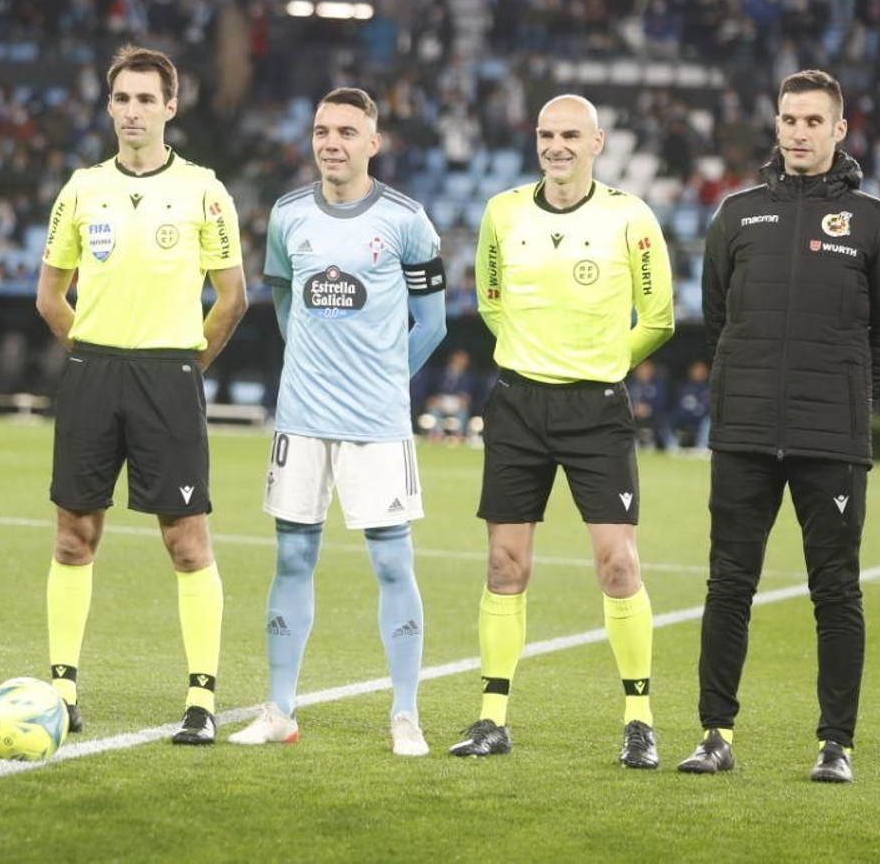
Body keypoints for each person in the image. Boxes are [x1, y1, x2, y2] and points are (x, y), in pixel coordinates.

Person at [677, 70, 880, 783]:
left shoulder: (876, 221)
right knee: (728, 584)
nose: (799, 132)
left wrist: (848, 394)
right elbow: (718, 318)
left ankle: (835, 744)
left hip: (832, 440)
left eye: (814, 121)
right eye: (789, 120)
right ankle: (715, 734)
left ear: (840, 129)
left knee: (836, 589)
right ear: (775, 126)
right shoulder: (737, 214)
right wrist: (739, 390)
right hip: (745, 434)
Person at [453, 95, 675, 768]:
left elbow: (658, 315)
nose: (556, 145)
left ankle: (639, 720)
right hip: (518, 406)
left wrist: (600, 364)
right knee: (504, 564)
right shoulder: (503, 212)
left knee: (618, 563)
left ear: (597, 142)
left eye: (570, 135)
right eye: (547, 134)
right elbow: (491, 302)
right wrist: (533, 354)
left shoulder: (630, 217)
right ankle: (492, 717)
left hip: (596, 410)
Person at [36, 44, 248, 746]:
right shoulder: (81, 188)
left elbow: (232, 296)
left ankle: (201, 699)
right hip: (94, 373)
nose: (132, 111)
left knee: (186, 542)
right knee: (74, 536)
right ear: (110, 106)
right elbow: (49, 294)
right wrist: (92, 351)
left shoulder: (204, 190)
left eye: (145, 99)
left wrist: (189, 365)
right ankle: (62, 690)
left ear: (170, 106)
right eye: (121, 99)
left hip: (169, 376)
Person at [228, 87, 446, 755]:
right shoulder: (289, 214)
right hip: (301, 418)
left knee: (390, 561)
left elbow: (431, 325)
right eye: (323, 129)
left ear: (373, 143)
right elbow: (288, 305)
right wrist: (314, 375)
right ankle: (279, 709)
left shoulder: (409, 221)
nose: (332, 142)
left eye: (348, 132)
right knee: (292, 556)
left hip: (377, 424)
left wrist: (381, 381)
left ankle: (404, 713)